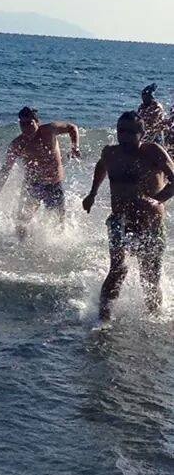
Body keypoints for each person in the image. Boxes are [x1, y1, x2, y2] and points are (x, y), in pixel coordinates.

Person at [83, 111, 174, 321]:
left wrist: (157, 200)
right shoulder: (110, 153)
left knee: (149, 275)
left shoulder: (153, 152)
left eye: (130, 132)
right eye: (120, 131)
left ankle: (154, 318)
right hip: (119, 219)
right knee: (117, 269)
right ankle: (103, 320)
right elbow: (101, 167)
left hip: (150, 221)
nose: (123, 136)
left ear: (142, 133)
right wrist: (92, 194)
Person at [0, 107, 80, 238]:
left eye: (29, 123)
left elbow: (72, 128)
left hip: (54, 185)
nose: (25, 127)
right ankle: (21, 251)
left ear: (37, 122)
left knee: (58, 225)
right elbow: (6, 168)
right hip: (32, 186)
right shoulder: (18, 144)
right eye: (22, 123)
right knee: (21, 222)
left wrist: (75, 147)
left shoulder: (49, 131)